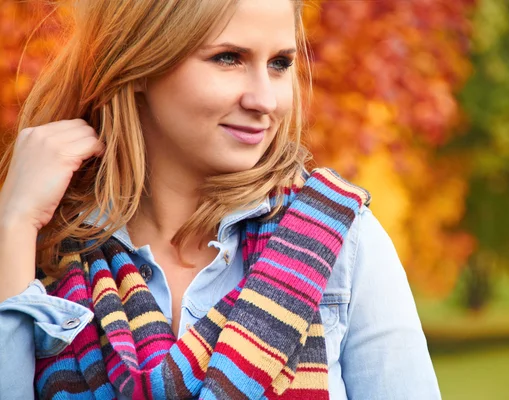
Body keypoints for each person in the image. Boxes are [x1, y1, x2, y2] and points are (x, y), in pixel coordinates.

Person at [0, 0, 442, 399]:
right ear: (136, 64)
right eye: (228, 58)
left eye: (280, 63)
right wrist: (15, 223)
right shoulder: (42, 245)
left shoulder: (342, 242)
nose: (264, 100)